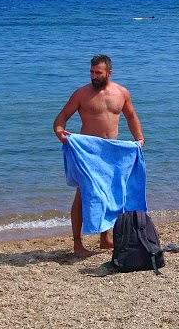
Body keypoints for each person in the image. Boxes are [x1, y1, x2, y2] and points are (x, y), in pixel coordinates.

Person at [52, 54, 145, 258]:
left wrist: (139, 138)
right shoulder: (81, 94)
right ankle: (78, 244)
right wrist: (61, 134)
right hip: (87, 153)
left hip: (111, 151)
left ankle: (105, 239)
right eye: (91, 72)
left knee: (109, 192)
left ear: (109, 73)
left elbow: (131, 116)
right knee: (82, 195)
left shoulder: (121, 93)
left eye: (98, 73)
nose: (94, 76)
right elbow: (60, 119)